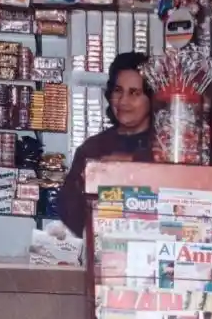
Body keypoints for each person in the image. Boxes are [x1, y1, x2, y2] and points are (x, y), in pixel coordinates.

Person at [58, 52, 153, 235]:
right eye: (118, 90)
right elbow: (69, 214)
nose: (123, 101)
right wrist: (84, 185)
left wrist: (133, 164)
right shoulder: (92, 148)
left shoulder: (166, 146)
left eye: (134, 93)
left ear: (152, 98)